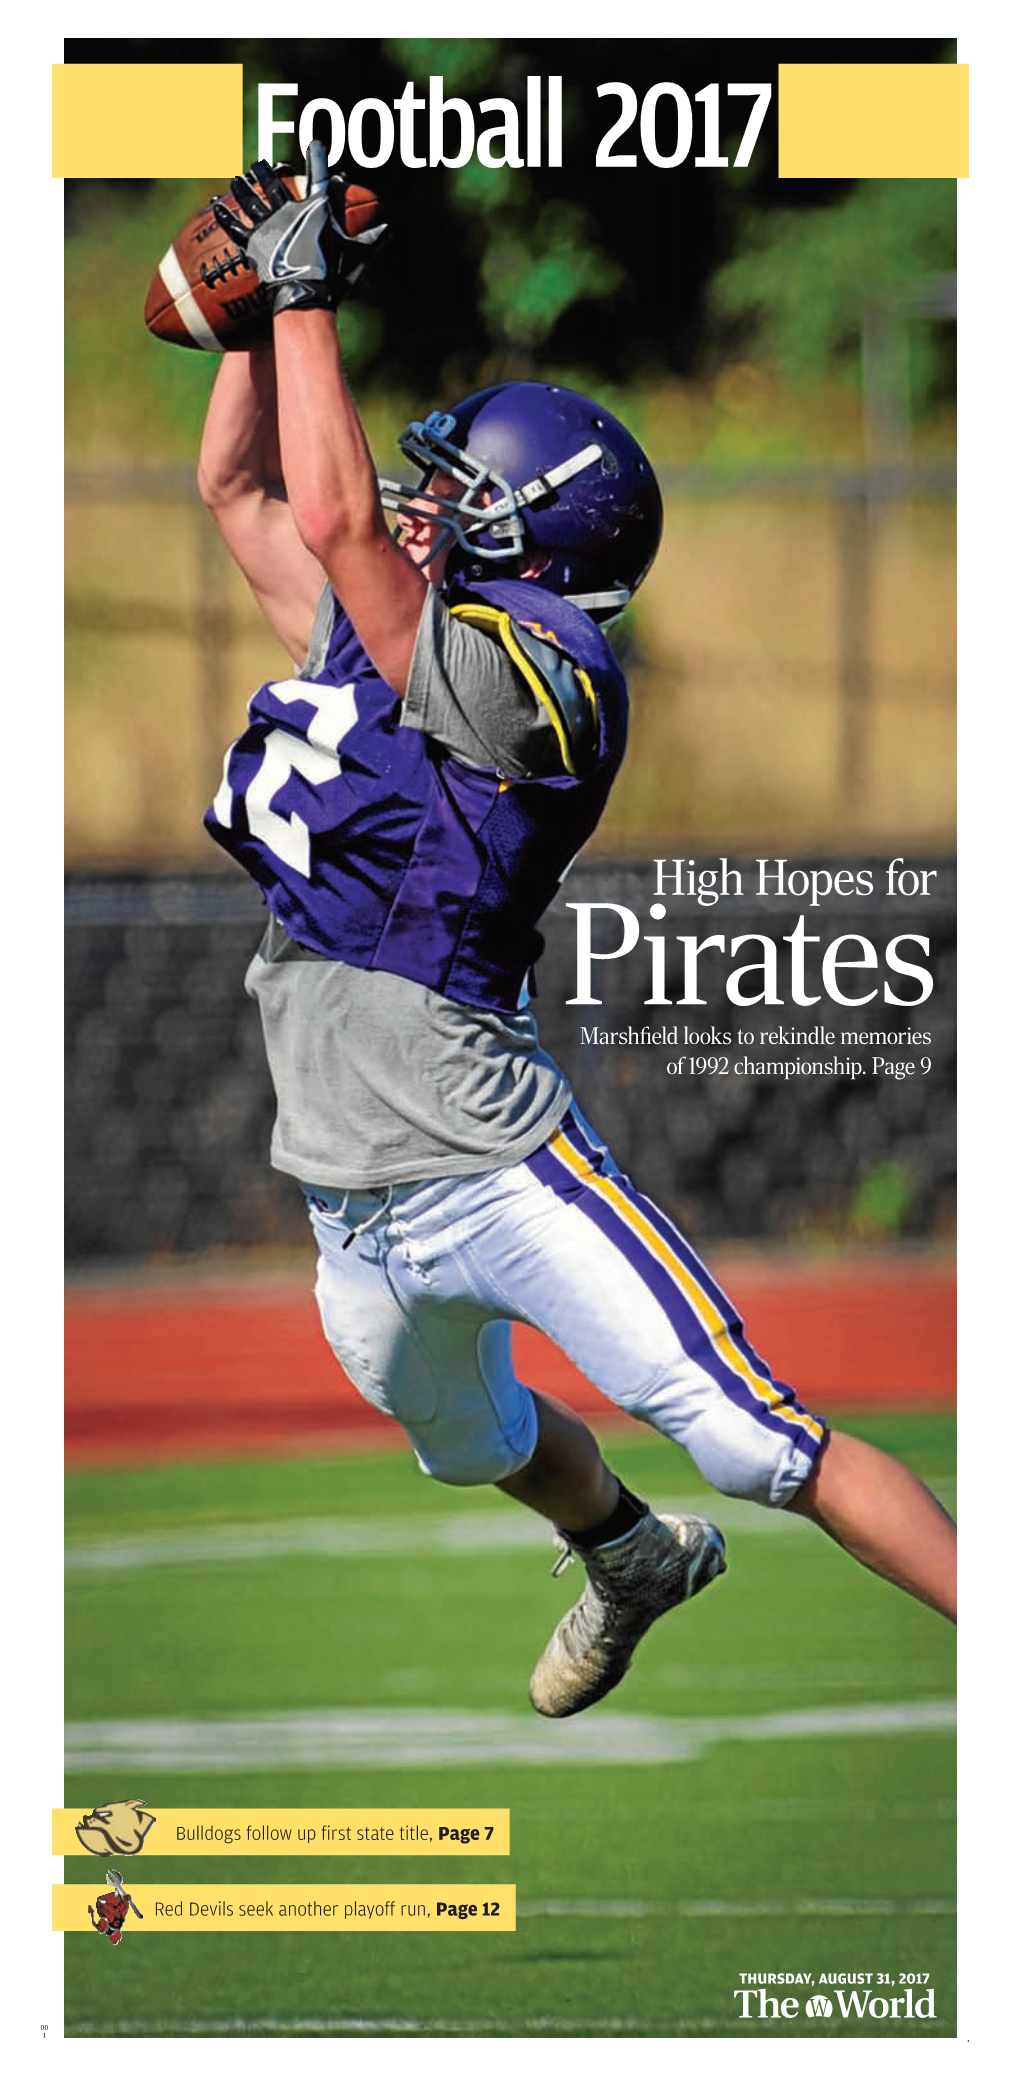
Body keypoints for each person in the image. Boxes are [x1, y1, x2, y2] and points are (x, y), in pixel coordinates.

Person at [198, 145, 956, 1721]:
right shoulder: (393, 627)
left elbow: (335, 517)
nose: (428, 504)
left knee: (758, 1442)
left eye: (465, 492)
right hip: (351, 1201)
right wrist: (241, 315)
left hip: (490, 1160)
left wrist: (305, 289)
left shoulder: (545, 671)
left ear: (535, 547)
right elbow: (249, 492)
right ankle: (625, 1550)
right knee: (480, 1443)